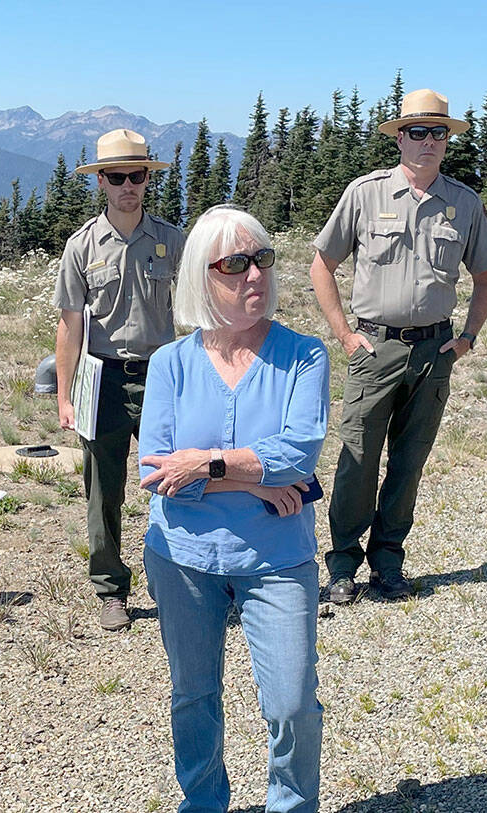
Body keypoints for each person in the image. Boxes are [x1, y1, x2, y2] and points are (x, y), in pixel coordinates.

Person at [138, 205, 329, 812]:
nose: (256, 276)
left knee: (292, 701)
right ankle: (203, 804)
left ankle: (291, 805)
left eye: (264, 260)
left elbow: (299, 453)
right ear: (203, 277)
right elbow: (157, 471)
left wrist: (209, 466)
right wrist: (253, 479)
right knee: (193, 696)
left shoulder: (304, 355)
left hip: (277, 556)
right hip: (182, 557)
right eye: (237, 264)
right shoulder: (170, 362)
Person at [310, 88, 487, 603]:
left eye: (438, 132)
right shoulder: (365, 193)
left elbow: (485, 277)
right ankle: (343, 565)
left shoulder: (463, 203)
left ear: (447, 140)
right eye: (417, 131)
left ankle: (388, 563)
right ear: (399, 138)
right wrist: (345, 336)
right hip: (374, 349)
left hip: (434, 352)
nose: (428, 142)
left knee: (408, 462)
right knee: (357, 458)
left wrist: (466, 339)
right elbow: (321, 264)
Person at [53, 128, 182, 631]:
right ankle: (110, 589)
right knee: (102, 490)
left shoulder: (173, 240)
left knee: (169, 481)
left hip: (163, 377)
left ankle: (172, 579)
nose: (128, 184)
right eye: (116, 176)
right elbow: (70, 325)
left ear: (148, 177)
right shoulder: (81, 246)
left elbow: (199, 308)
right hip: (101, 378)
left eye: (136, 174)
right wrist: (64, 396)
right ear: (101, 181)